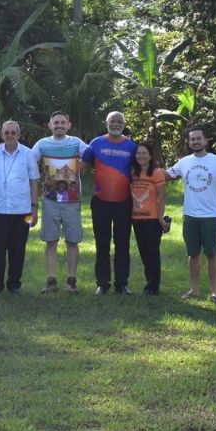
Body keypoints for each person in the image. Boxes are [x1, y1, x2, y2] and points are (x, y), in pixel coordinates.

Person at [165, 125, 216, 302]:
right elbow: (166, 175)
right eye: (192, 139)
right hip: (190, 216)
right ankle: (194, 289)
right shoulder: (184, 162)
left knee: (211, 253)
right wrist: (144, 169)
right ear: (189, 142)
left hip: (211, 216)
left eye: (198, 138)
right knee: (193, 253)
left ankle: (214, 291)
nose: (195, 141)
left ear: (205, 140)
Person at [31, 111, 90, 293]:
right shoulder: (42, 144)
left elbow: (91, 155)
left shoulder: (76, 142)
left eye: (63, 123)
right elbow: (29, 161)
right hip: (50, 200)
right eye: (56, 123)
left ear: (68, 125)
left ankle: (71, 281)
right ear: (50, 125)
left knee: (72, 241)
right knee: (51, 241)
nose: (59, 125)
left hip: (72, 200)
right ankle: (51, 280)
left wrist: (79, 169)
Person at [82, 111, 138, 294]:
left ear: (124, 124)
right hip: (100, 202)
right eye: (112, 121)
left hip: (123, 202)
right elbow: (82, 166)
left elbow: (141, 170)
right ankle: (102, 283)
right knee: (102, 244)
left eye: (119, 121)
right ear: (106, 123)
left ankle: (122, 284)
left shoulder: (132, 146)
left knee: (122, 244)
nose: (116, 124)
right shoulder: (96, 143)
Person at [0, 120, 40, 294]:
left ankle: (14, 284)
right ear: (2, 135)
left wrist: (34, 208)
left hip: (23, 211)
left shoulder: (28, 154)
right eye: (6, 132)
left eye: (13, 132)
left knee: (18, 250)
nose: (9, 135)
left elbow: (33, 181)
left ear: (18, 134)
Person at [129, 142, 169, 295]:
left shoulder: (157, 173)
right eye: (138, 153)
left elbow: (161, 196)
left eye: (144, 153)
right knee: (144, 253)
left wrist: (160, 218)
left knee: (152, 253)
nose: (140, 156)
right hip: (136, 219)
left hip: (152, 220)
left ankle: (153, 287)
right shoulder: (134, 174)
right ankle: (149, 283)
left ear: (150, 156)